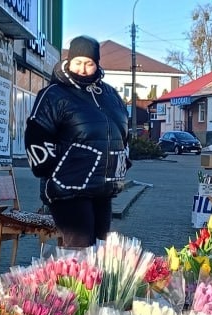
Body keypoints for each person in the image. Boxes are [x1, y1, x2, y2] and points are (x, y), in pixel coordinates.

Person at [24, 35, 130, 248]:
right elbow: (36, 135)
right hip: (69, 190)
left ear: (97, 64)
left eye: (89, 63)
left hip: (103, 187)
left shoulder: (109, 94)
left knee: (100, 251)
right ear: (69, 61)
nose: (83, 69)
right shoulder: (54, 94)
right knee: (79, 252)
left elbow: (124, 132)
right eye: (78, 62)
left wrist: (124, 161)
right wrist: (56, 168)